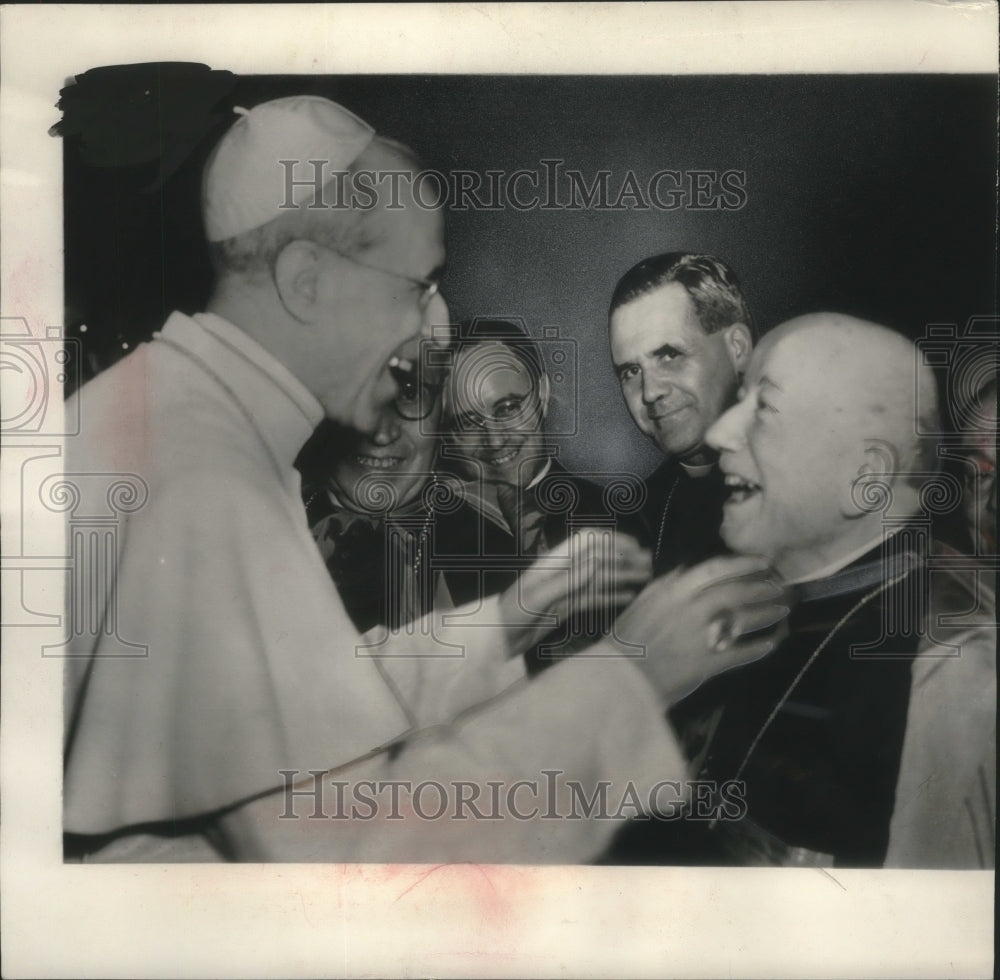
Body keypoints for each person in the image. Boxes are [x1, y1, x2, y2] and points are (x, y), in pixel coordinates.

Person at [62, 95, 786, 864]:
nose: (434, 331)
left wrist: (507, 616)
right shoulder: (211, 481)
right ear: (306, 282)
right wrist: (632, 681)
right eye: (417, 285)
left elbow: (304, 707)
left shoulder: (179, 411)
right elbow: (356, 857)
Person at [685, 313, 995, 867]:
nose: (716, 434)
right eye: (739, 400)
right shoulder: (759, 595)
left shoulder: (955, 663)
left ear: (867, 477)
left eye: (765, 409)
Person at [608, 252, 755, 575]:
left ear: (738, 349)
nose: (649, 392)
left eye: (669, 355)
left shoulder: (815, 477)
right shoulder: (634, 521)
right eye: (631, 371)